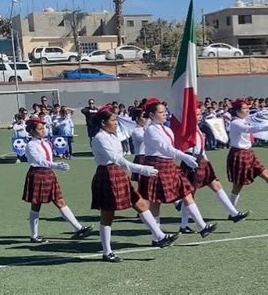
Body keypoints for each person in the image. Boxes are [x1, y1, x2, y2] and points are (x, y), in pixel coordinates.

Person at [91, 105, 179, 263]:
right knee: (107, 215)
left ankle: (159, 236)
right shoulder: (100, 138)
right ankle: (107, 251)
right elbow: (116, 159)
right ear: (103, 123)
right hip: (108, 175)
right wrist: (140, 168)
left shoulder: (112, 135)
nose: (116, 123)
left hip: (118, 173)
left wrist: (129, 171)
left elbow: (120, 159)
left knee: (140, 204)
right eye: (113, 120)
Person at [139, 98, 217, 238]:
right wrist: (184, 156)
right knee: (155, 201)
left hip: (169, 164)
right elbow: (166, 148)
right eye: (161, 112)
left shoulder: (166, 128)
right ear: (152, 115)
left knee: (186, 192)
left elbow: (172, 147)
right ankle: (157, 236)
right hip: (157, 164)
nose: (164, 114)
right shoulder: (151, 130)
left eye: (165, 111)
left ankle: (202, 226)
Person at [178, 106, 250, 233]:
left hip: (202, 161)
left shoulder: (197, 129)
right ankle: (184, 225)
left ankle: (234, 213)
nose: (199, 117)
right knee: (189, 195)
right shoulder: (188, 129)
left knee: (216, 185)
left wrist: (206, 160)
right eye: (197, 114)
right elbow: (184, 146)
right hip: (192, 162)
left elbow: (201, 148)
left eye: (200, 114)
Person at [22, 118, 93, 243]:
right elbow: (39, 161)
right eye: (39, 129)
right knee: (36, 205)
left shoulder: (46, 142)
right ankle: (34, 235)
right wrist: (56, 165)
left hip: (48, 173)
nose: (43, 131)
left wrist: (55, 164)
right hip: (38, 173)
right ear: (32, 131)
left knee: (59, 201)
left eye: (43, 128)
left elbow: (48, 158)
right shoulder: (31, 145)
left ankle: (79, 228)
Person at [130, 108, 147, 184]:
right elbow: (146, 139)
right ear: (137, 119)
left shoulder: (147, 128)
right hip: (141, 157)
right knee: (142, 183)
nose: (146, 119)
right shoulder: (136, 131)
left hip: (149, 156)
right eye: (143, 116)